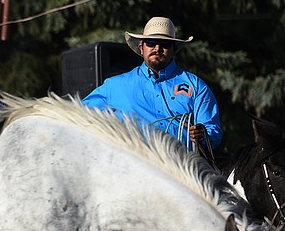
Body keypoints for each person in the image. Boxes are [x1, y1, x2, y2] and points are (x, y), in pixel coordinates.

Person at [82, 16, 222, 152]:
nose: (157, 48)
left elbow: (213, 132)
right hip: (134, 166)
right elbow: (80, 114)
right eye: (150, 42)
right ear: (141, 48)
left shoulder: (196, 86)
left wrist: (202, 135)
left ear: (174, 50)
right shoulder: (114, 86)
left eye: (164, 44)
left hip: (184, 168)